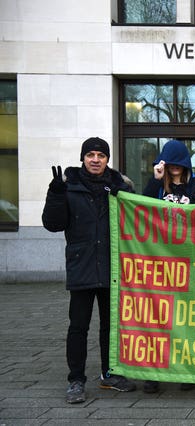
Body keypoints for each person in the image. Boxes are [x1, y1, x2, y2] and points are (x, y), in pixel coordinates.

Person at [42, 137, 137, 404]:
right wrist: (55, 194)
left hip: (112, 267)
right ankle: (76, 380)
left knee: (111, 326)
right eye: (91, 155)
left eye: (101, 155)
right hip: (82, 265)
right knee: (78, 327)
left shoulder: (118, 186)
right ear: (83, 158)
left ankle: (110, 373)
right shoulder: (68, 186)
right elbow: (52, 223)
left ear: (108, 159)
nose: (96, 159)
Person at [141, 139, 195, 393]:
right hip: (161, 262)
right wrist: (155, 178)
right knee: (159, 318)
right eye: (168, 162)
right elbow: (141, 208)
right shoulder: (158, 186)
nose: (173, 167)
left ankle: (189, 370)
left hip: (190, 262)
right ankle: (153, 373)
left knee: (189, 319)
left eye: (176, 162)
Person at [142, 139, 195, 204]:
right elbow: (145, 207)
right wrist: (156, 179)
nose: (175, 165)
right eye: (171, 162)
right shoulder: (158, 185)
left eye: (179, 162)